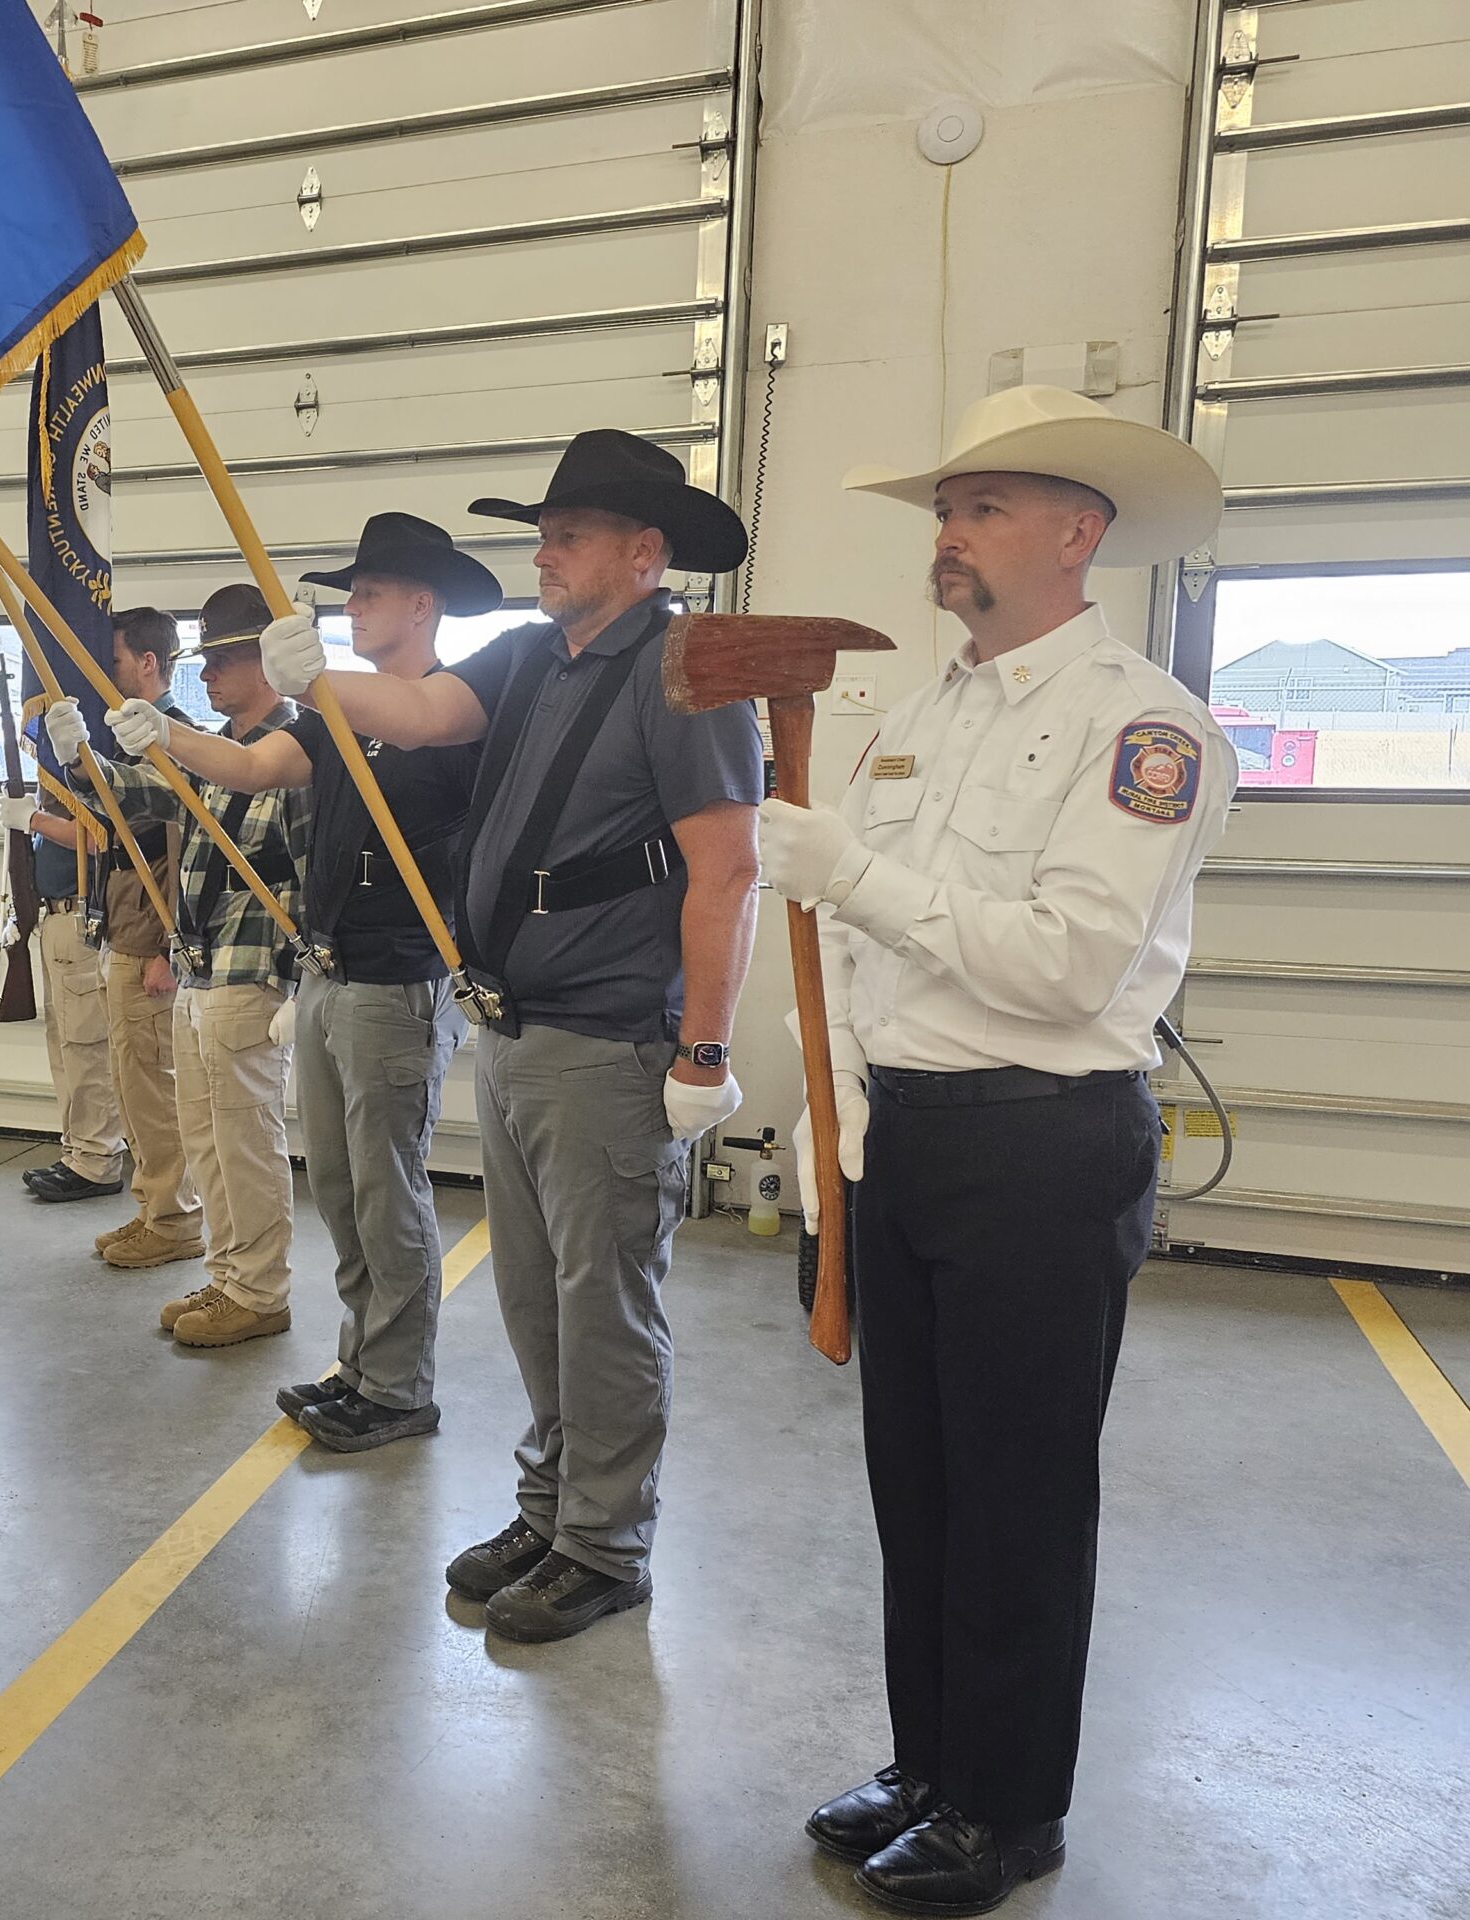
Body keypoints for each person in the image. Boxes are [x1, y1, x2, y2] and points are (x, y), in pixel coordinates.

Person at [767, 387, 1234, 1916]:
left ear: (1075, 533)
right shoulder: (926, 712)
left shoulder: (1142, 727)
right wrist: (822, 1124)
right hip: (904, 1140)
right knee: (920, 1479)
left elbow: (1063, 966)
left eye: (981, 508)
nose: (947, 535)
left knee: (1020, 1490)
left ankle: (1012, 1807)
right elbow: (851, 956)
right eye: (947, 509)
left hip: (1042, 1149)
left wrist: (852, 876)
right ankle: (933, 1764)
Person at [256, 432, 761, 1642]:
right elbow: (423, 712)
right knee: (535, 1297)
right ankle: (549, 1506)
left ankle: (604, 1541)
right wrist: (315, 678)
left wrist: (702, 1051)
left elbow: (726, 869)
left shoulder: (689, 672)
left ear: (645, 554)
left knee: (604, 1303)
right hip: (517, 1028)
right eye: (541, 534)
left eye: (568, 535)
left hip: (611, 1039)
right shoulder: (536, 655)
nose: (544, 553)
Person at [108, 515, 494, 1451]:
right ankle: (362, 1365)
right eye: (350, 593)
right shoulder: (331, 717)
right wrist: (165, 737)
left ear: (421, 604)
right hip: (329, 972)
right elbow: (248, 766)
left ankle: (398, 1388)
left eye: (369, 594)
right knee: (340, 1183)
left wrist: (314, 680)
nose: (353, 607)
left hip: (400, 977)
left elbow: (409, 715)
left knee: (386, 1190)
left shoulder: (457, 701)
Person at [47, 584, 311, 1350]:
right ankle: (229, 1274)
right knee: (206, 1138)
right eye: (212, 658)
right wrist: (84, 757)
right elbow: (136, 793)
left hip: (251, 972)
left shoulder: (294, 749)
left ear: (267, 662)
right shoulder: (216, 748)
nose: (213, 674)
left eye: (227, 658)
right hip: (204, 970)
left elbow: (286, 830)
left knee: (243, 1140)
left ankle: (261, 1289)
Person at [92, 607, 203, 1273]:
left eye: (115, 662)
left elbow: (183, 848)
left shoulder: (176, 742)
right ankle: (151, 1205)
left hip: (150, 936)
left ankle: (174, 1216)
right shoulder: (141, 742)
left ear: (148, 665)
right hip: (126, 925)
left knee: (154, 1087)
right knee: (131, 1082)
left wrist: (169, 944)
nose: (110, 677)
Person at [20, 788, 127, 1203]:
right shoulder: (60, 778)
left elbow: (101, 835)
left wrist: (34, 821)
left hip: (81, 916)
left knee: (87, 1047)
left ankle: (97, 1158)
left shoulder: (90, 771)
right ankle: (77, 1150)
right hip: (56, 917)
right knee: (64, 1046)